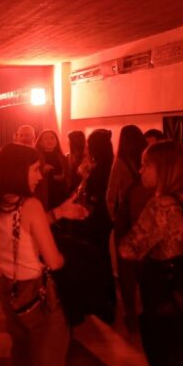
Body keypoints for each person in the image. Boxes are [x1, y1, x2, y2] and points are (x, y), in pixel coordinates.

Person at [119, 141, 183, 366]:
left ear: (165, 169)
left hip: (166, 302)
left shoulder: (160, 205)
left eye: (146, 165)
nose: (141, 171)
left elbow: (129, 248)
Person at [0, 143, 68, 366]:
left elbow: (20, 230)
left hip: (8, 290)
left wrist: (59, 212)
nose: (40, 176)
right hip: (36, 294)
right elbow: (54, 261)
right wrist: (67, 257)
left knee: (22, 360)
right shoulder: (30, 206)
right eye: (35, 169)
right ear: (18, 170)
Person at [106, 125, 151, 330]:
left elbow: (110, 195)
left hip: (126, 219)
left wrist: (114, 218)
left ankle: (131, 314)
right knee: (147, 264)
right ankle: (149, 309)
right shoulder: (147, 160)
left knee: (126, 269)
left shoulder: (120, 162)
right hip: (147, 217)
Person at [74, 129, 117, 323]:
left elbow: (92, 195)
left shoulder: (101, 169)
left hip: (95, 218)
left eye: (89, 144)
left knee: (97, 257)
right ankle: (107, 300)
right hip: (103, 218)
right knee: (102, 256)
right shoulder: (107, 164)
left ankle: (102, 302)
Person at [35, 130, 70, 210]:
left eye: (52, 138)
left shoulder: (62, 157)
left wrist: (63, 177)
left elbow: (67, 175)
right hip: (45, 193)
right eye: (46, 138)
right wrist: (43, 171)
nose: (49, 141)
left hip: (61, 193)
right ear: (40, 142)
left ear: (56, 141)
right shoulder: (36, 157)